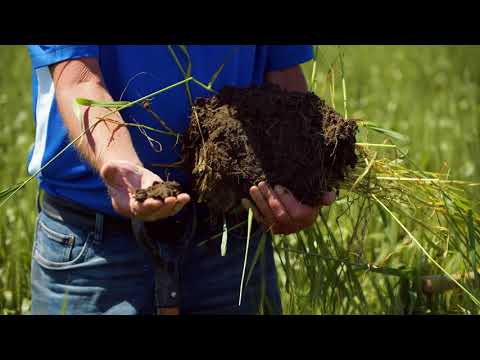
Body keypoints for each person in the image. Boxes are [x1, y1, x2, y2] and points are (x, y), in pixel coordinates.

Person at [26, 45, 335, 315]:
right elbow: (79, 81)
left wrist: (300, 180)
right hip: (97, 249)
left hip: (229, 239)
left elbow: (282, 71)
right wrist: (122, 165)